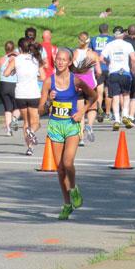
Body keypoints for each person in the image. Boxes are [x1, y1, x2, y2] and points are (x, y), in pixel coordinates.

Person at [38, 48, 97, 220]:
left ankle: (74, 188)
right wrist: (49, 100)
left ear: (70, 62)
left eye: (64, 59)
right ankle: (66, 204)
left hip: (71, 125)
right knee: (60, 169)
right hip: (55, 125)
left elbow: (93, 96)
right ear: (54, 61)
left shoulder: (76, 81)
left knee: (68, 162)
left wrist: (82, 112)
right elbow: (41, 109)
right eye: (58, 59)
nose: (60, 62)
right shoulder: (49, 82)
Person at [4, 37, 43, 155]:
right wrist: (33, 76)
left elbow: (5, 73)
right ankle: (32, 132)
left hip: (20, 94)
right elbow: (43, 76)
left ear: (19, 48)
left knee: (26, 121)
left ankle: (29, 148)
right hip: (33, 93)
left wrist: (14, 71)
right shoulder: (36, 59)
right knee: (36, 122)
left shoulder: (16, 59)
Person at [101, 26, 135, 130]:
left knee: (115, 97)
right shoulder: (128, 44)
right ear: (123, 34)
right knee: (126, 95)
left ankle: (117, 120)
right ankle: (125, 115)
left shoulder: (109, 45)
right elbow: (134, 59)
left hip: (113, 73)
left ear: (114, 35)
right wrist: (132, 71)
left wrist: (108, 63)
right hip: (125, 72)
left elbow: (101, 58)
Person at [72, 32, 101, 141]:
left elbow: (71, 68)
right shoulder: (93, 54)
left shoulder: (74, 53)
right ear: (89, 41)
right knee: (92, 107)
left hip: (78, 84)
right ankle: (90, 126)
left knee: (80, 110)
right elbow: (99, 71)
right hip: (90, 83)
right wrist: (97, 75)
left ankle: (81, 138)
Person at [0, 41, 19, 136]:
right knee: (17, 106)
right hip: (15, 85)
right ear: (14, 48)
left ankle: (8, 130)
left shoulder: (1, 59)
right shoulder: (17, 59)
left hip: (3, 85)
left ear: (5, 49)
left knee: (7, 108)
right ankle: (14, 120)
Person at [89, 24, 113, 122]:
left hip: (97, 68)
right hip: (108, 67)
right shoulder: (112, 39)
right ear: (107, 30)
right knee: (108, 92)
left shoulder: (93, 39)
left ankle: (99, 110)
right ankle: (107, 113)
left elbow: (90, 52)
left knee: (99, 91)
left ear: (99, 30)